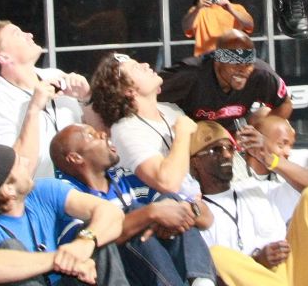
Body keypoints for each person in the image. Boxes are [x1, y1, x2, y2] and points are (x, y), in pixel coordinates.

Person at [187, 120, 308, 286]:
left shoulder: (257, 187)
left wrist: (270, 158)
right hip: (252, 280)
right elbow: (214, 276)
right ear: (195, 162)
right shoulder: (198, 210)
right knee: (217, 255)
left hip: (293, 274)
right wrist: (257, 260)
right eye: (215, 150)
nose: (227, 155)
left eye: (230, 148)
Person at [51, 124, 218, 286]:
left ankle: (202, 282)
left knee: (169, 201)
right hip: (111, 275)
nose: (103, 134)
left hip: (154, 268)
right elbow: (87, 248)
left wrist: (189, 210)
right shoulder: (66, 194)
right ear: (75, 157)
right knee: (134, 215)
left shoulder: (125, 177)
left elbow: (207, 219)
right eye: (91, 135)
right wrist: (150, 213)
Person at [0, 144, 129, 286]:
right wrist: (62, 259)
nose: (26, 161)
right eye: (18, 163)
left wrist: (85, 242)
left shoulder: (42, 191)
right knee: (10, 248)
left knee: (95, 232)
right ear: (8, 189)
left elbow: (111, 212)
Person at [0, 20, 89, 178]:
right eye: (17, 34)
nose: (29, 34)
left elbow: (98, 132)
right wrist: (33, 109)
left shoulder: (56, 75)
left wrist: (86, 98)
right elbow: (15, 174)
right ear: (4, 57)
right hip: (39, 197)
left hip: (87, 185)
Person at [89, 52, 199, 197]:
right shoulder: (126, 130)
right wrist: (183, 133)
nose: (146, 65)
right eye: (136, 67)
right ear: (127, 90)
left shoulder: (172, 110)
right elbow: (168, 183)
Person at [160, 30, 292, 132]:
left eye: (247, 64)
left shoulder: (261, 74)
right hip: (187, 133)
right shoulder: (191, 74)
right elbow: (146, 92)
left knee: (275, 126)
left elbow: (284, 104)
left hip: (230, 134)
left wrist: (261, 133)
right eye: (235, 64)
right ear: (217, 62)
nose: (242, 70)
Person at [181, 0, 254, 58]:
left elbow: (250, 24)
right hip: (206, 59)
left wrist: (230, 9)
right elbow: (186, 27)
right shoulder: (198, 10)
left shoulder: (236, 8)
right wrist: (198, 8)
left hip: (231, 57)